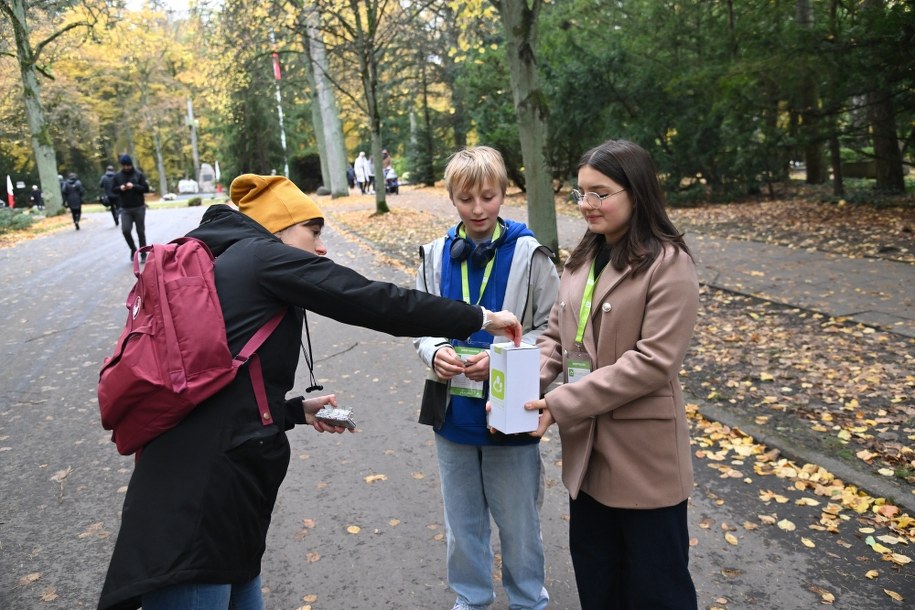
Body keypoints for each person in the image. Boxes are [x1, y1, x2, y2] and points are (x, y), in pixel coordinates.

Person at [97, 173, 524, 610]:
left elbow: (221, 386)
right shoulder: (262, 257)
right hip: (198, 508)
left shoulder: (231, 263)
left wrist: (294, 411)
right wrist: (479, 317)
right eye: (313, 232)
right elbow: (374, 300)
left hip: (222, 497)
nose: (322, 247)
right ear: (278, 228)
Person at [525, 139, 700, 609]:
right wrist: (521, 383)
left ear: (636, 194)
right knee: (598, 583)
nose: (587, 204)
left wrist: (558, 404)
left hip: (644, 462)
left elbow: (652, 363)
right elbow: (556, 340)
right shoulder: (582, 258)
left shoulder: (669, 264)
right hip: (587, 457)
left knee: (656, 589)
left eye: (600, 193)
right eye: (581, 193)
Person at [414, 146, 559, 610]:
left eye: (489, 197)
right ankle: (472, 598)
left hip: (510, 411)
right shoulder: (435, 255)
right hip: (451, 412)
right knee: (462, 521)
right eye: (466, 199)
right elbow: (419, 322)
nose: (478, 209)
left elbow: (550, 328)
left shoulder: (530, 254)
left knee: (518, 521)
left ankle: (527, 600)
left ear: (503, 194)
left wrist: (501, 358)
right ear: (452, 198)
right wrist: (433, 350)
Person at [112, 154, 150, 262]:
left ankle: (143, 253)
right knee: (125, 230)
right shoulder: (118, 176)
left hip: (138, 207)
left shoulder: (138, 175)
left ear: (131, 165)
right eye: (124, 165)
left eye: (128, 165)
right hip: (125, 208)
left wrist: (134, 186)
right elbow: (113, 189)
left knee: (140, 231)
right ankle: (133, 248)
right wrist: (121, 188)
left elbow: (145, 188)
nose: (126, 167)